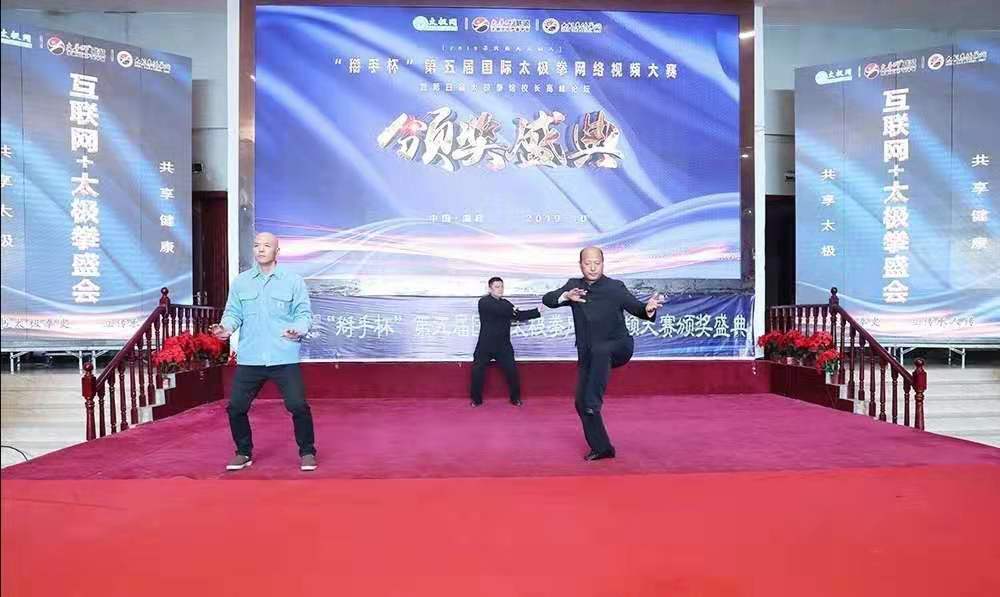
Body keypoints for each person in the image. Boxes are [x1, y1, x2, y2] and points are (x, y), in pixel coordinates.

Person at [542, 247, 664, 461]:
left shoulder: (615, 287)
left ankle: (593, 402)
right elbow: (548, 299)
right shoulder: (574, 286)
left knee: (597, 369)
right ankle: (602, 448)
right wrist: (565, 296)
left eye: (597, 263)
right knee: (581, 403)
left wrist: (648, 309)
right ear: (580, 264)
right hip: (589, 354)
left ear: (603, 263)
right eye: (587, 263)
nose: (592, 267)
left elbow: (637, 307)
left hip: (619, 346)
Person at [210, 232, 317, 472]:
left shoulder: (293, 281)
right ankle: (243, 452)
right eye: (257, 245)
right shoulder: (242, 282)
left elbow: (303, 314)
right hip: (251, 357)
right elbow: (233, 313)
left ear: (277, 251)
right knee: (236, 407)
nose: (260, 249)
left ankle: (307, 452)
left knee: (298, 406)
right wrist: (225, 329)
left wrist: (298, 329)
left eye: (267, 246)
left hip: (283, 354)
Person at [470, 276, 541, 407]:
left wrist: (537, 311)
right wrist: (512, 311)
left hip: (503, 345)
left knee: (512, 371)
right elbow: (502, 310)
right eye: (497, 287)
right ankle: (476, 399)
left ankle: (515, 398)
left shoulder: (506, 303)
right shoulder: (484, 302)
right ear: (490, 289)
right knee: (477, 371)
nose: (500, 289)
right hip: (485, 344)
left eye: (502, 286)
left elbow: (518, 315)